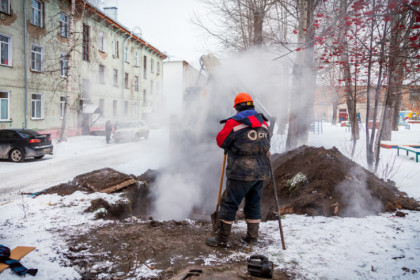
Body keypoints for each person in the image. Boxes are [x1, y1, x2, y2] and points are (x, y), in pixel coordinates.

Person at [206, 92, 271, 247]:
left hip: (240, 172)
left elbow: (221, 141)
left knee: (229, 203)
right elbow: (266, 143)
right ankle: (252, 237)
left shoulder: (233, 123)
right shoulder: (264, 123)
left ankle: (222, 239)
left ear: (237, 108)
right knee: (253, 203)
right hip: (261, 171)